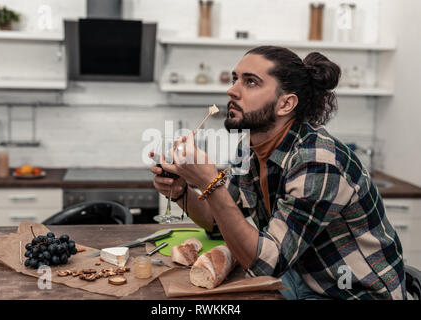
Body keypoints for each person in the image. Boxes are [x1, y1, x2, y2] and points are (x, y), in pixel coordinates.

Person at [150, 46, 406, 300]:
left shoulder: (316, 162)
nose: (231, 90)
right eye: (234, 78)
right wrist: (183, 189)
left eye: (250, 82)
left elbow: (266, 262)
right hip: (301, 277)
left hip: (352, 293)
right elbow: (219, 221)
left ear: (286, 103)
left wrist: (210, 182)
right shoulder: (249, 149)